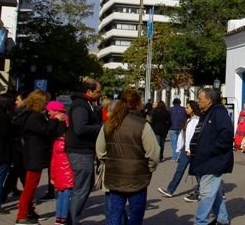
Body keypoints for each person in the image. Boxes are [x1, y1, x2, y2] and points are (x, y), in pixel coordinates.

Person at [96, 89, 160, 225]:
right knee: (136, 214)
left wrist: (109, 161)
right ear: (137, 104)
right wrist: (149, 168)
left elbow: (100, 151)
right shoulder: (142, 125)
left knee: (114, 213)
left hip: (115, 175)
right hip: (137, 177)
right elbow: (154, 153)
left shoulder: (109, 124)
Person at [13, 90, 66, 225]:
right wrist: (55, 119)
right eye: (45, 102)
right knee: (30, 187)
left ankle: (29, 211)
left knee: (29, 185)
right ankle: (22, 215)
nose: (46, 106)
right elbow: (46, 130)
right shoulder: (34, 117)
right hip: (34, 155)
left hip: (30, 153)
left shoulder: (27, 114)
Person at [189, 87, 233, 225]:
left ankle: (201, 221)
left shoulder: (218, 113)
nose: (198, 102)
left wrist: (209, 150)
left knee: (206, 194)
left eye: (200, 99)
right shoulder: (206, 114)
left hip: (213, 161)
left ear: (209, 100)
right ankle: (222, 219)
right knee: (215, 192)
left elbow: (226, 136)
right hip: (204, 160)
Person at [65, 78, 103, 225]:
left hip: (84, 150)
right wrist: (101, 127)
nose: (100, 94)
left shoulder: (87, 104)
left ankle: (72, 218)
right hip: (80, 151)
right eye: (98, 91)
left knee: (85, 186)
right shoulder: (81, 105)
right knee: (81, 188)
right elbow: (80, 128)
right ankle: (72, 220)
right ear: (89, 91)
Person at [157, 100, 201, 198]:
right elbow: (183, 135)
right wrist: (179, 148)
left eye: (188, 107)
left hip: (192, 149)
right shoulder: (188, 120)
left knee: (197, 171)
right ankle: (170, 190)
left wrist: (189, 149)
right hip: (185, 149)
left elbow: (192, 136)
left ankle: (209, 190)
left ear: (193, 109)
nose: (186, 109)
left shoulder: (196, 121)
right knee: (180, 170)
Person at [47, 101, 74, 225]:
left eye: (50, 110)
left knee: (61, 194)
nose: (48, 112)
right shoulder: (66, 122)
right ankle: (64, 218)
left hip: (58, 167)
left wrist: (52, 176)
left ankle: (59, 218)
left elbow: (53, 161)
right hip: (67, 167)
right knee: (66, 193)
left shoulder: (56, 140)